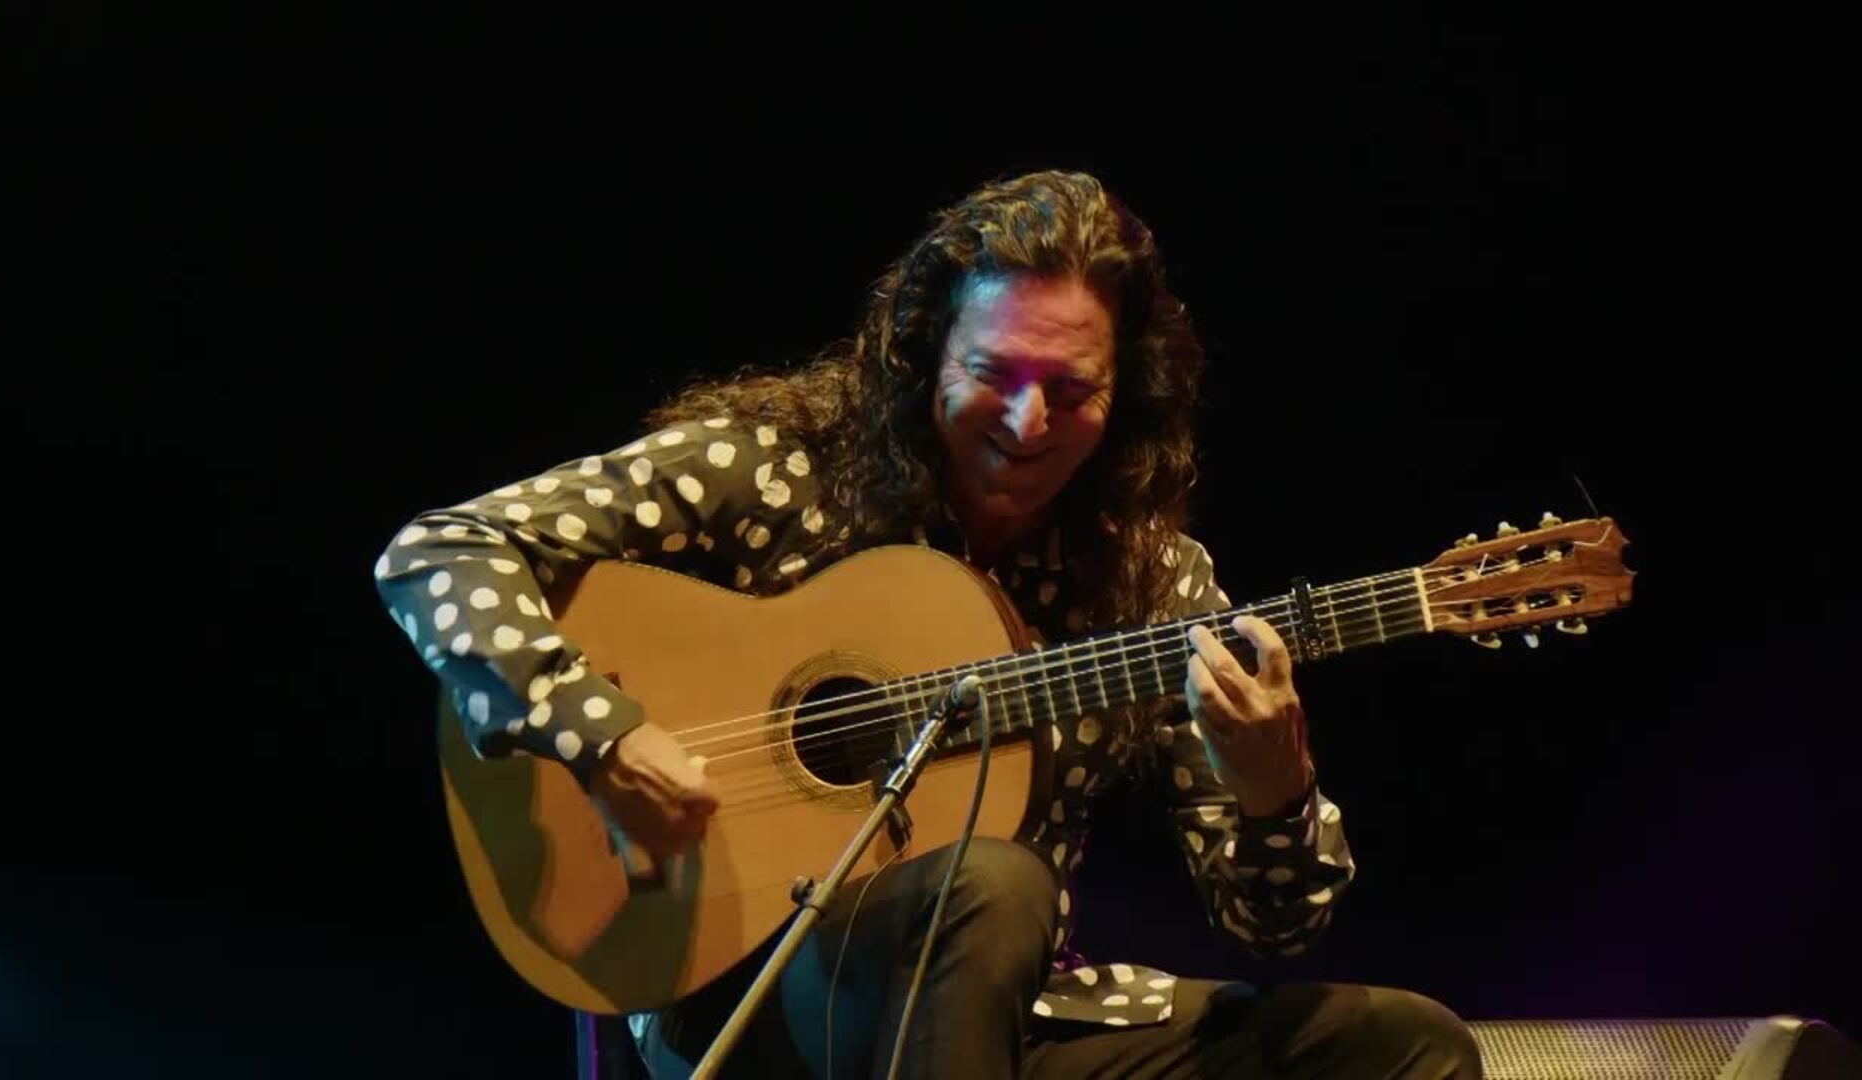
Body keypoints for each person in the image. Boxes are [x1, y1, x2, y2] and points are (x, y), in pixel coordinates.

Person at [373, 169, 1483, 1078]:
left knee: (1403, 1043)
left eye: (1072, 390)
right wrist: (601, 736)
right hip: (751, 991)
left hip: (1002, 1014)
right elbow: (439, 550)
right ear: (924, 358)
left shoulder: (1152, 582)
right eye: (994, 374)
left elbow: (1274, 926)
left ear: (1128, 394)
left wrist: (1275, 788)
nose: (1028, 422)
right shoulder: (777, 471)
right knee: (993, 880)